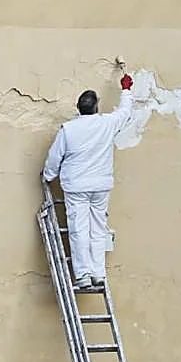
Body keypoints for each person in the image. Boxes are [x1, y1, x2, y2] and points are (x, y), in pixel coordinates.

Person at [43, 73, 136, 288]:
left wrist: (48, 176)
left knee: (78, 230)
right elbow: (125, 112)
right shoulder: (106, 124)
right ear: (97, 107)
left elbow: (55, 157)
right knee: (97, 229)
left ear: (78, 108)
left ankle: (83, 274)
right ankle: (98, 273)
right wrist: (126, 89)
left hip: (76, 187)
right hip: (100, 186)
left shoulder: (69, 130)